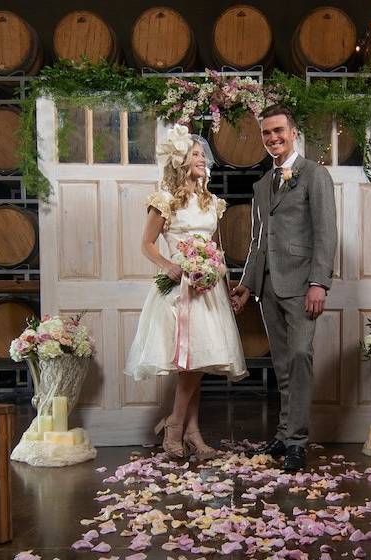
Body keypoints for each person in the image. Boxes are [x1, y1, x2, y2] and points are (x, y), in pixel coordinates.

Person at [124, 124, 248, 461]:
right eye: (195, 155)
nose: (202, 160)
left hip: (208, 287)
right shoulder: (164, 199)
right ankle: (179, 428)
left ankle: (186, 430)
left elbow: (217, 251)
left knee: (200, 361)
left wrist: (226, 286)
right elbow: (146, 244)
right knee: (189, 362)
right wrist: (168, 264)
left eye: (203, 156)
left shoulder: (212, 202)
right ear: (180, 160)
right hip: (179, 288)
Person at [230, 105, 338, 472]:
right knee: (282, 364)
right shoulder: (262, 185)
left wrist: (319, 283)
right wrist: (246, 284)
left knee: (299, 357)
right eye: (266, 133)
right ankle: (283, 432)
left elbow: (326, 232)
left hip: (302, 285)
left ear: (293, 132)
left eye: (278, 131)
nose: (273, 138)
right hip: (268, 288)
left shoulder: (314, 175)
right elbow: (257, 240)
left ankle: (296, 442)